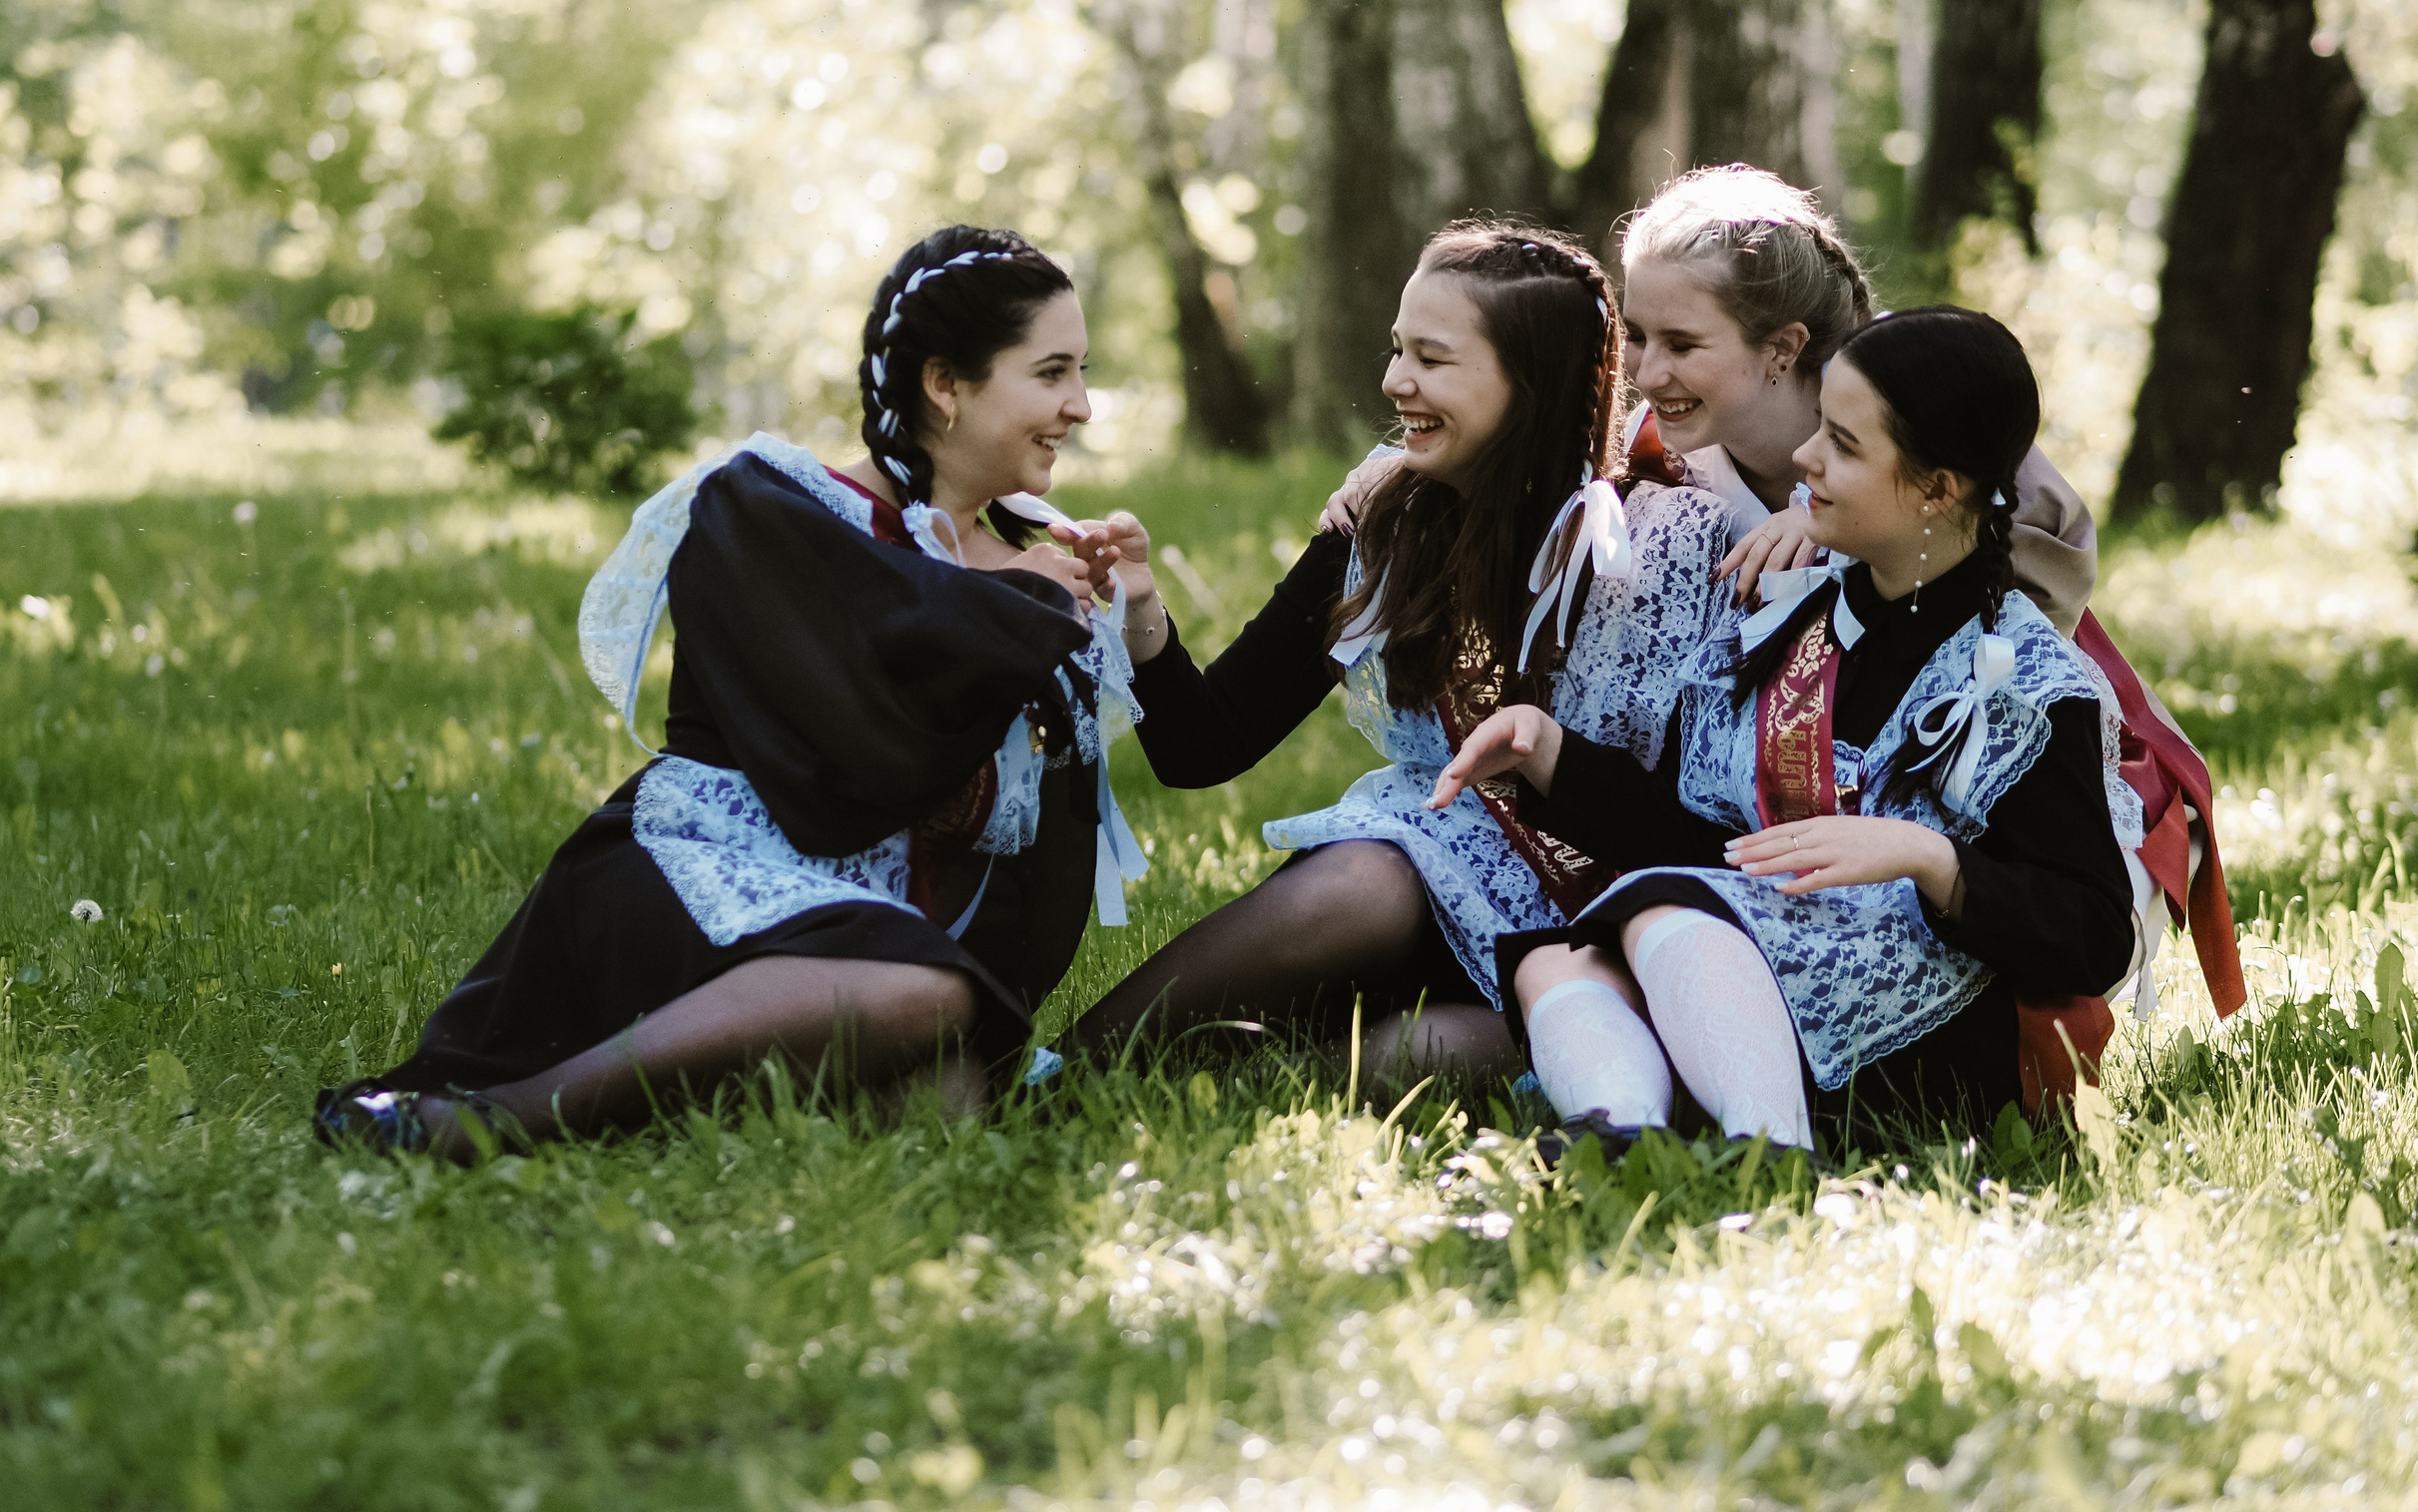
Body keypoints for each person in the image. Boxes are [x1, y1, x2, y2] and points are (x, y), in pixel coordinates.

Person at [1325, 165, 2243, 1064]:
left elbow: (1981, 631)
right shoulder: (1669, 464)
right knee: (1542, 991)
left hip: (1969, 825)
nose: (1644, 372)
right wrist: (1399, 469)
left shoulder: (1925, 418)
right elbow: (1549, 487)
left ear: (1783, 349)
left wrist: (1840, 553)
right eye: (1636, 336)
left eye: (1680, 343)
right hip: (1777, 851)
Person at [314, 227, 1144, 1159]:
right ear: (945, 385)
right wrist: (1018, 605)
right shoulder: (775, 508)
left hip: (879, 941)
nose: (1080, 406)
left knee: (945, 1100)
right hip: (707, 876)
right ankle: (490, 1121)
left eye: (1082, 374)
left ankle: (664, 1102)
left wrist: (1127, 614)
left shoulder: (1042, 572)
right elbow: (860, 754)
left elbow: (1090, 811)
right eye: (1052, 372)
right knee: (927, 998)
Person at [1433, 307, 2138, 1152]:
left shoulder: (2028, 683)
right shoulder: (1784, 624)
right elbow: (1705, 842)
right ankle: (1621, 1142)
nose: (1804, 460)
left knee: (1665, 921)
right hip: (1747, 964)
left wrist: (1929, 860)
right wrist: (1549, 753)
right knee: (1562, 960)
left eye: (1842, 443)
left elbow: (2095, 937)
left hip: (1925, 1038)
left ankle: (1768, 1156)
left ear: (1936, 488)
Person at [1068, 223, 1732, 1083]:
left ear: (1532, 385)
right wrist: (1139, 603)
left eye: (1432, 358)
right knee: (1369, 878)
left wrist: (1543, 758)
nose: (1393, 382)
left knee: (1402, 1061)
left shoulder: (1669, 545)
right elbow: (1206, 746)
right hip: (1406, 895)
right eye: (1396, 350)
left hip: (1608, 926)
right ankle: (1063, 1075)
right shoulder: (1388, 514)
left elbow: (1693, 831)